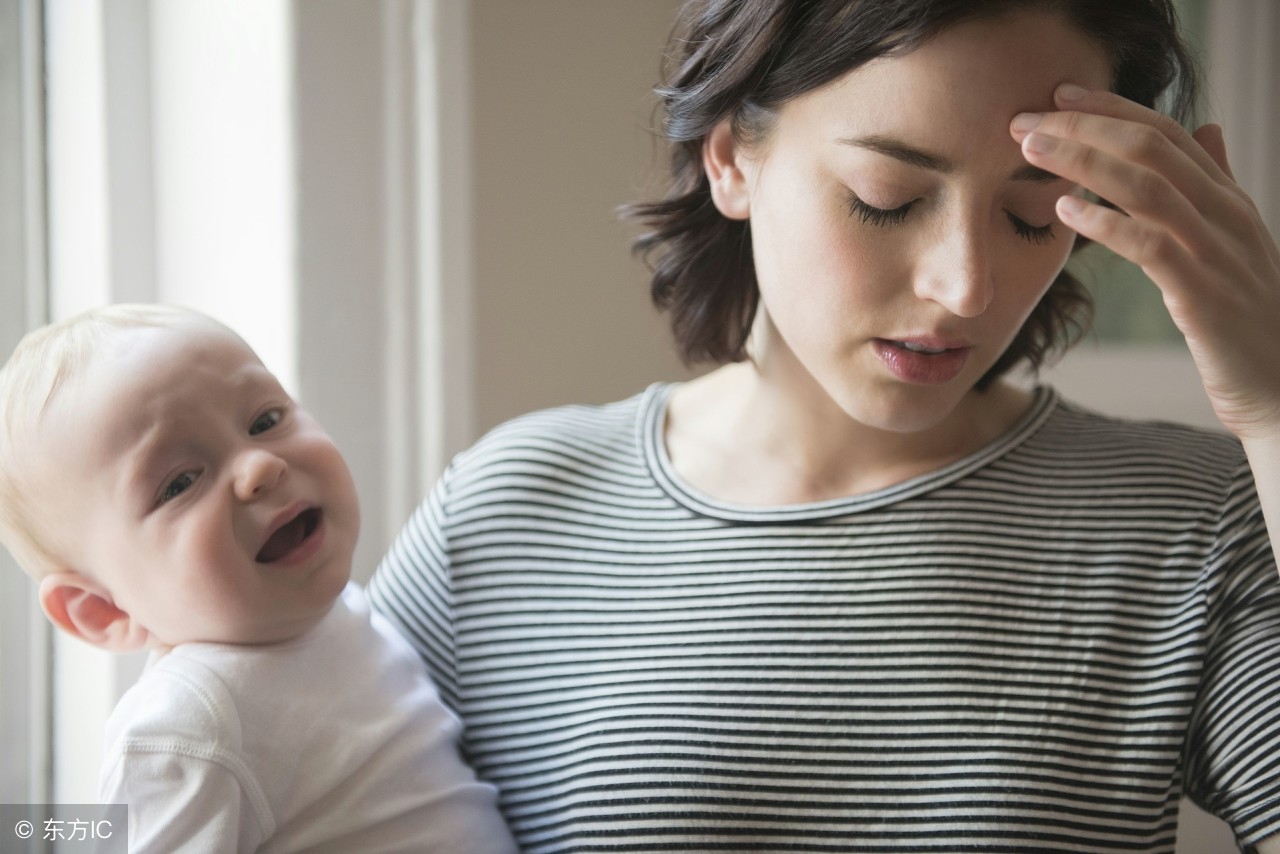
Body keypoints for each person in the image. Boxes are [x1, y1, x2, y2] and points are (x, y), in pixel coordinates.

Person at [369, 0, 1280, 851]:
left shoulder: (1194, 523)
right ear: (730, 159)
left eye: (1029, 215)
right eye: (886, 197)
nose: (965, 286)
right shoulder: (505, 515)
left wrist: (1275, 413)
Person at [0, 305, 518, 854]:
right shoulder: (189, 725)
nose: (259, 468)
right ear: (105, 610)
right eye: (179, 483)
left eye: (265, 421)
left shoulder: (342, 609)